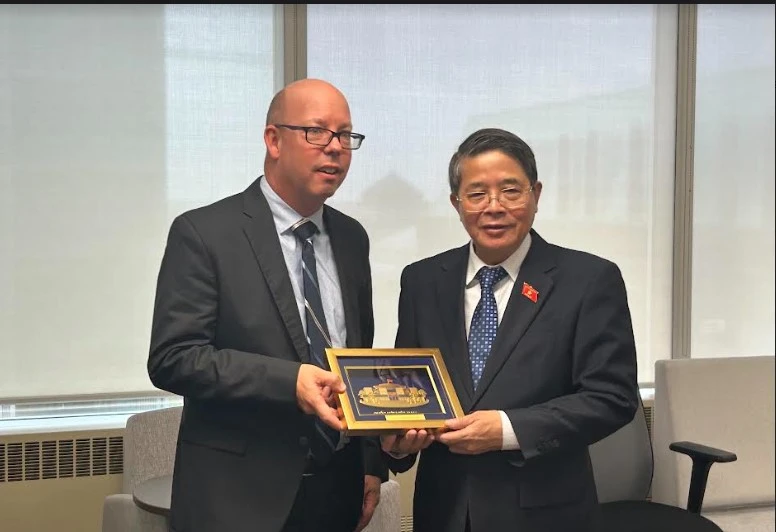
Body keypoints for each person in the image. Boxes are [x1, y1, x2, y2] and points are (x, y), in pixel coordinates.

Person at [147, 78, 388, 532]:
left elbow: (356, 357)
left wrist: (370, 460)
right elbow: (173, 359)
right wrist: (288, 381)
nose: (335, 148)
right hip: (238, 497)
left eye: (345, 135)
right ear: (273, 140)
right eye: (317, 132)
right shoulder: (204, 233)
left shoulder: (352, 238)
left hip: (337, 491)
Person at [381, 128, 640, 532]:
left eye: (511, 190)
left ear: (535, 194)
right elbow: (412, 390)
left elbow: (613, 397)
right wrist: (398, 443)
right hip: (443, 510)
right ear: (457, 203)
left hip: (545, 513)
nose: (494, 207)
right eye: (477, 193)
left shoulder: (588, 280)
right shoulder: (422, 281)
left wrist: (506, 429)